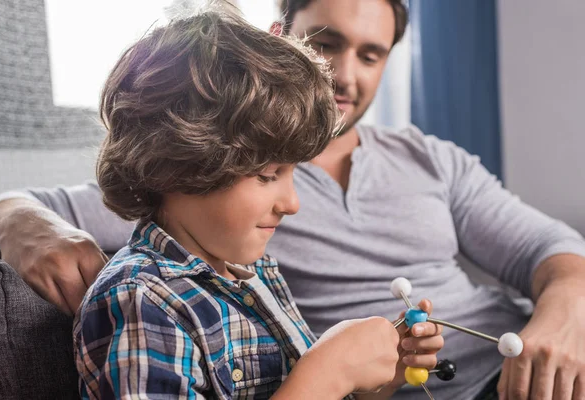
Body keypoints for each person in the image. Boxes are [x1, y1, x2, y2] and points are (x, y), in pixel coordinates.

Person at [0, 0, 584, 398]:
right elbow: (20, 205)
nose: (346, 75)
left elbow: (551, 247)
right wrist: (23, 225)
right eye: (328, 43)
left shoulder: (255, 266)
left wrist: (384, 373)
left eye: (371, 55)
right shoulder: (150, 289)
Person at [66, 2, 444, 398]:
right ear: (177, 164)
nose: (292, 203)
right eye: (267, 175)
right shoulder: (144, 300)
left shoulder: (255, 273)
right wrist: (329, 372)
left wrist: (375, 376)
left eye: (294, 172)